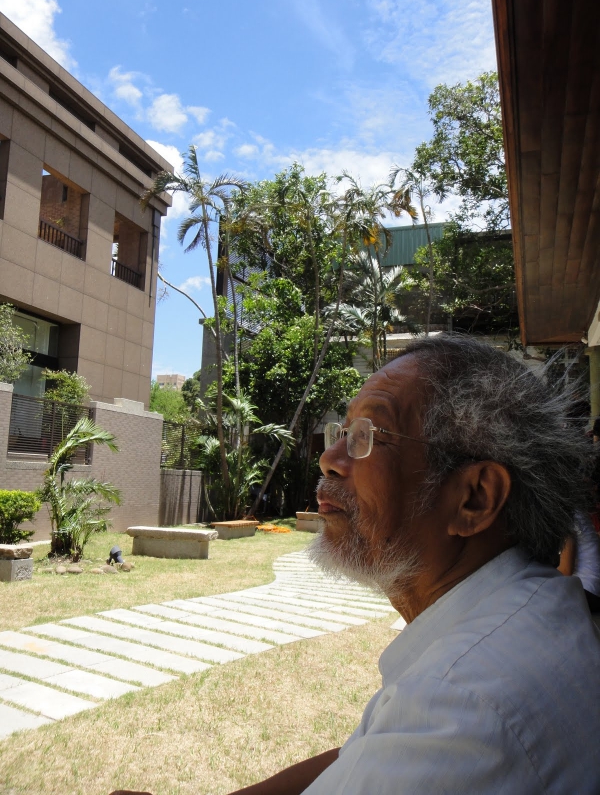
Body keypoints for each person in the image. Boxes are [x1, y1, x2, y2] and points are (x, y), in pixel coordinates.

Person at [112, 335, 600, 795]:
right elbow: (357, 759)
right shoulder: (529, 612)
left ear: (474, 498)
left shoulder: (460, 708)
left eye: (369, 434)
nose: (329, 458)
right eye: (342, 432)